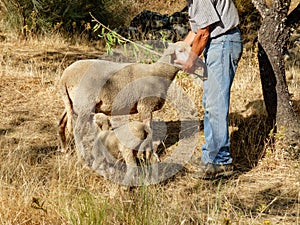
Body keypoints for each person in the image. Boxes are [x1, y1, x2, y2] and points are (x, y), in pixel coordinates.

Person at [175, 0, 243, 179]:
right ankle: (210, 156)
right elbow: (196, 31)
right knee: (210, 102)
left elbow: (204, 33)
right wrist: (177, 50)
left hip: (222, 42)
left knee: (216, 104)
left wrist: (190, 59)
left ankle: (221, 162)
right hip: (218, 43)